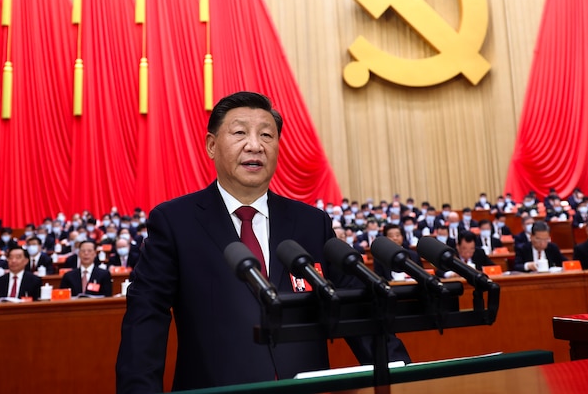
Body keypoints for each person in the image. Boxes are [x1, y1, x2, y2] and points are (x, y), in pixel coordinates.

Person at [116, 91, 408, 393]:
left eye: (266, 135)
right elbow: (146, 319)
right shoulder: (175, 222)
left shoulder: (312, 223)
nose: (255, 145)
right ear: (212, 146)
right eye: (240, 132)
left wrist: (405, 377)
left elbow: (358, 310)